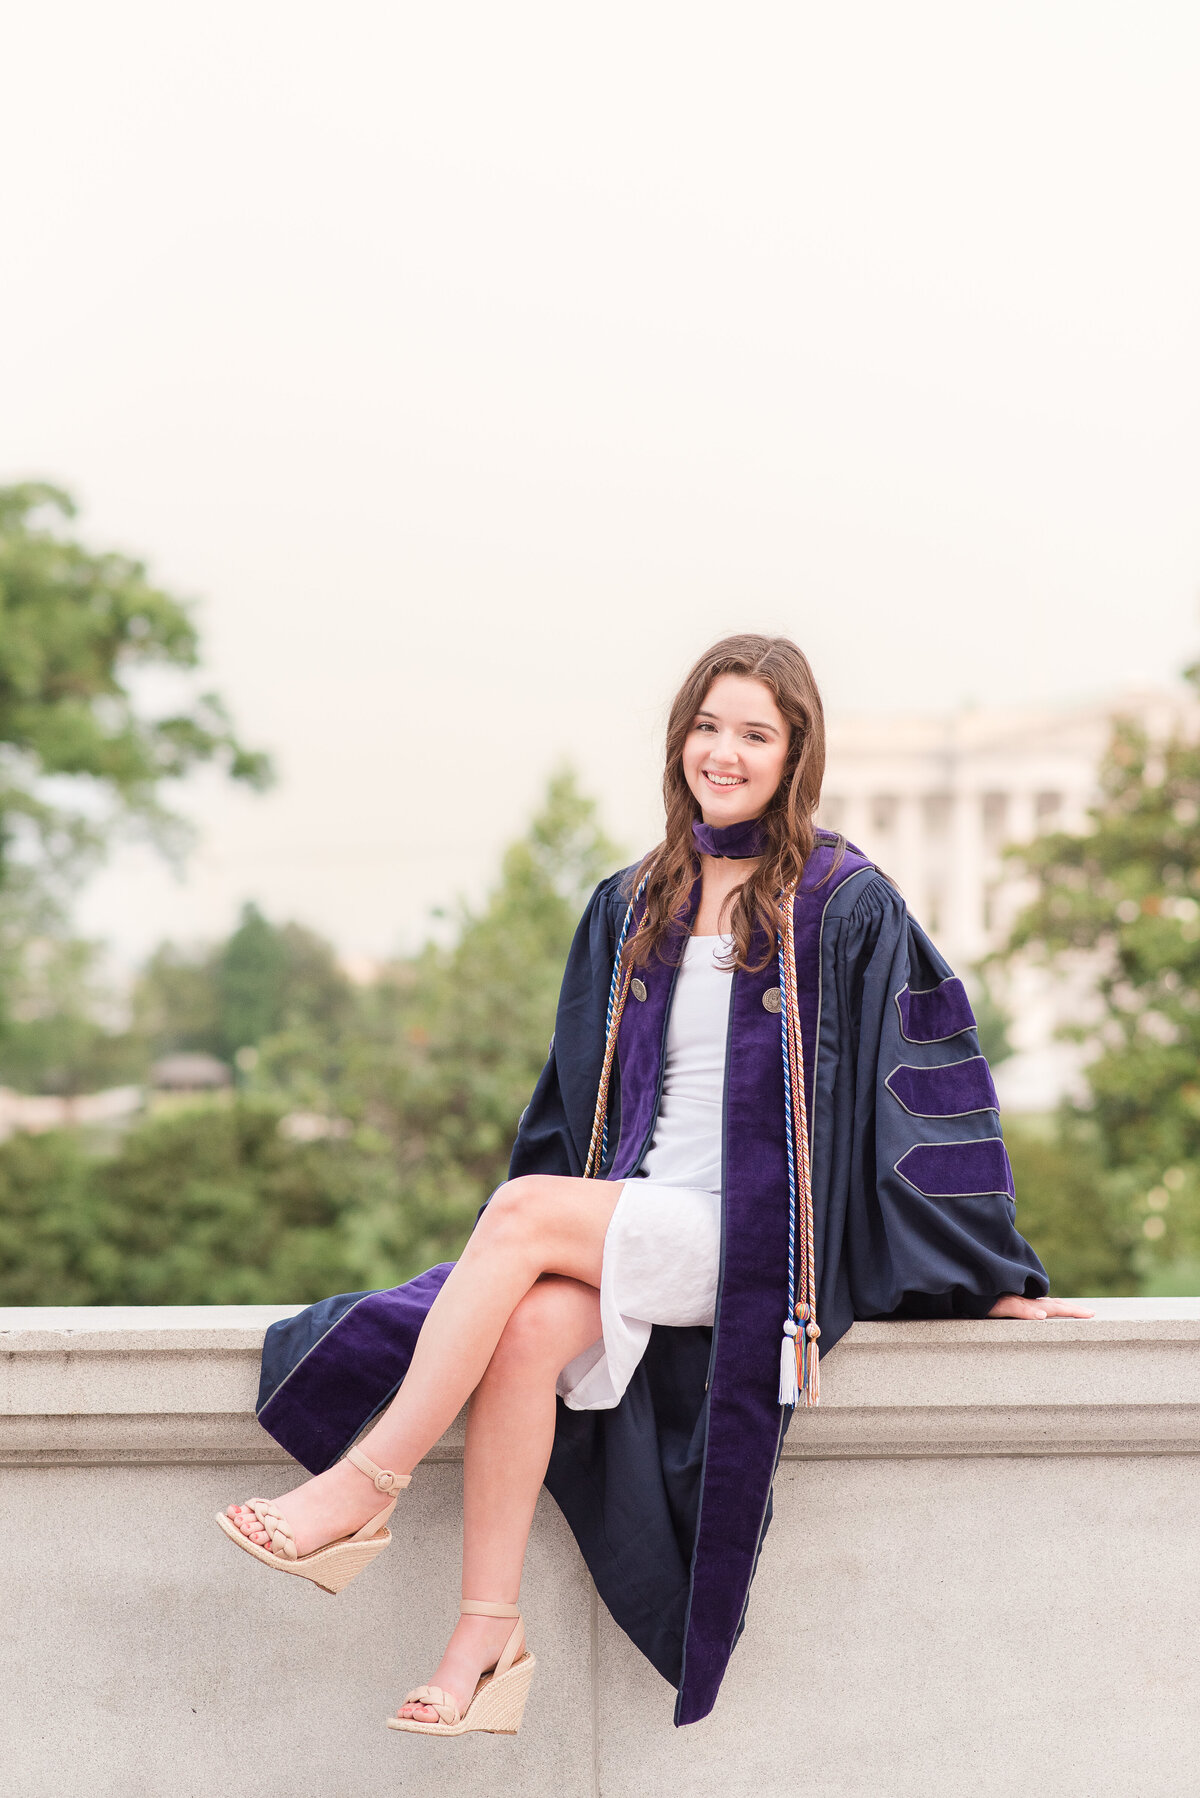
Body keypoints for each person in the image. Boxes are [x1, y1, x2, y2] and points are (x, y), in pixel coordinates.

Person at [217, 633, 1093, 1737]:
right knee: (531, 1326)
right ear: (680, 736)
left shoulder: (845, 903)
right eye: (708, 726)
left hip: (758, 1235)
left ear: (795, 755)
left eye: (755, 734)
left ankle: (362, 1485)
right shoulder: (632, 904)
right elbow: (567, 1105)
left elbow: (922, 1095)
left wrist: (988, 1270)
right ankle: (484, 1638)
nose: (724, 752)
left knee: (522, 1211)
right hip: (653, 1208)